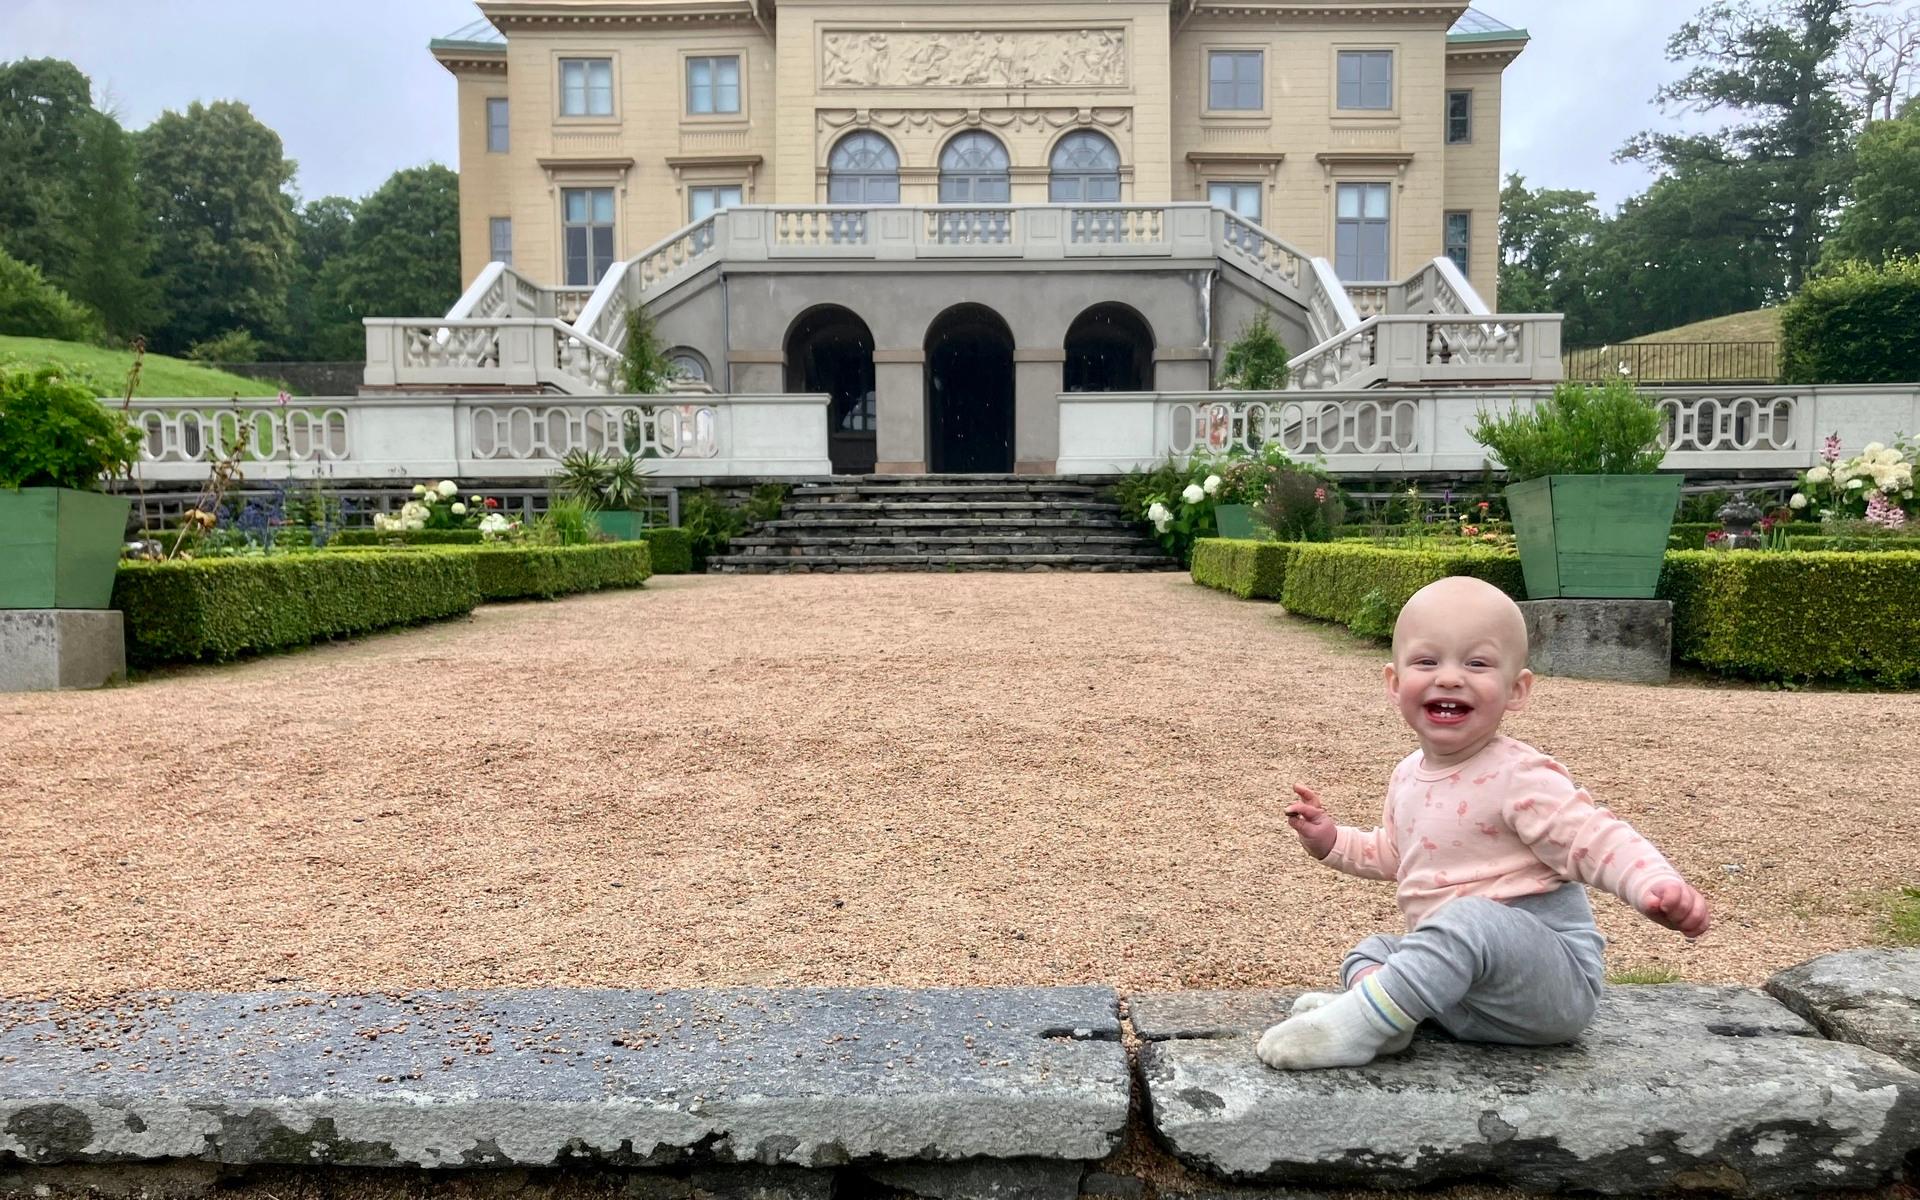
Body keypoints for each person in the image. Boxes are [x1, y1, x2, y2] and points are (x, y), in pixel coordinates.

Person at [1258, 575, 1710, 1071]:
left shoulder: (1519, 776)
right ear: (1394, 683)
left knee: (1466, 919)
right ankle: (1389, 1021)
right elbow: (1396, 853)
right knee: (1373, 951)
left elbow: (1594, 837)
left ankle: (1358, 1024)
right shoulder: (1408, 774)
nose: (1449, 678)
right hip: (1465, 998)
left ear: (1516, 690)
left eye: (1476, 663)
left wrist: (1653, 882)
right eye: (1428, 661)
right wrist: (1331, 839)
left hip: (1545, 990)